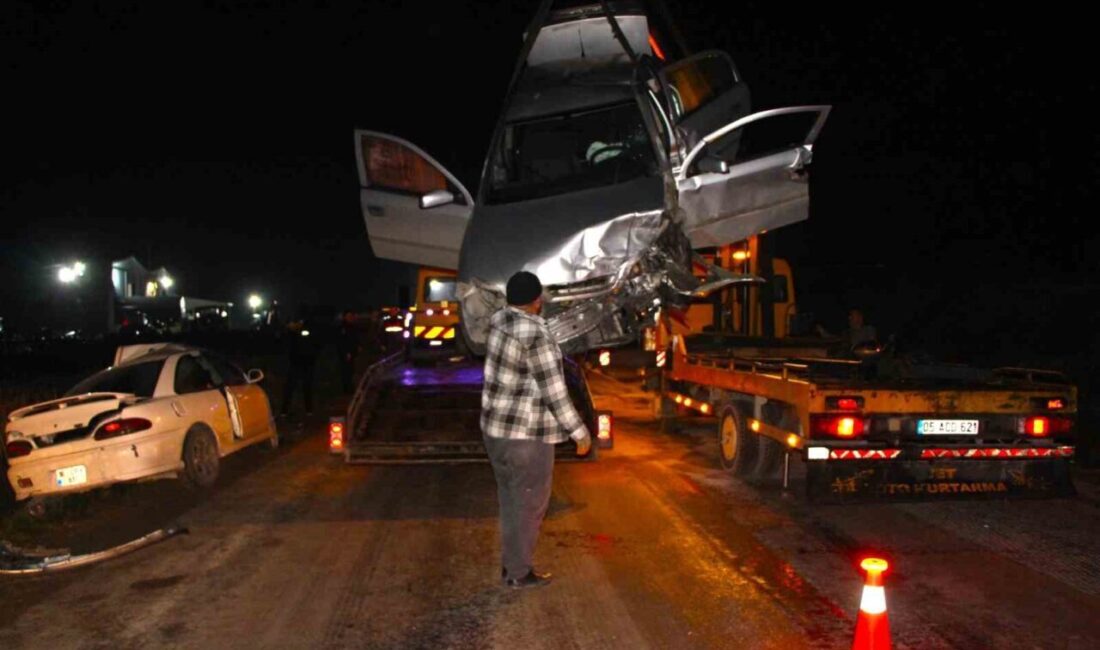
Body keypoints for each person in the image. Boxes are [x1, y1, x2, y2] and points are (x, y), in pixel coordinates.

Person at [481, 271, 592, 589]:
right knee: (529, 504)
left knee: (511, 500)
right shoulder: (535, 335)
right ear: (536, 300)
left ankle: (511, 565)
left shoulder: (499, 322)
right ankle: (518, 573)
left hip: (496, 433)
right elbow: (554, 391)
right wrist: (579, 432)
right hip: (526, 436)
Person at [280, 311, 320, 417]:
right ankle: (284, 410)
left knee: (307, 387)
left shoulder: (306, 330)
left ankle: (309, 410)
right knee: (290, 387)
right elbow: (285, 347)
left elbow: (313, 344)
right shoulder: (290, 334)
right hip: (294, 363)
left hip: (306, 362)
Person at [336, 310, 361, 394]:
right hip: (345, 353)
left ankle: (350, 387)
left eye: (351, 316)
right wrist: (346, 352)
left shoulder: (353, 326)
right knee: (346, 371)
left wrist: (358, 347)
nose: (350, 318)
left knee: (351, 370)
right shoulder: (342, 328)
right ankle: (346, 388)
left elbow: (355, 338)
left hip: (352, 352)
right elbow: (342, 341)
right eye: (348, 316)